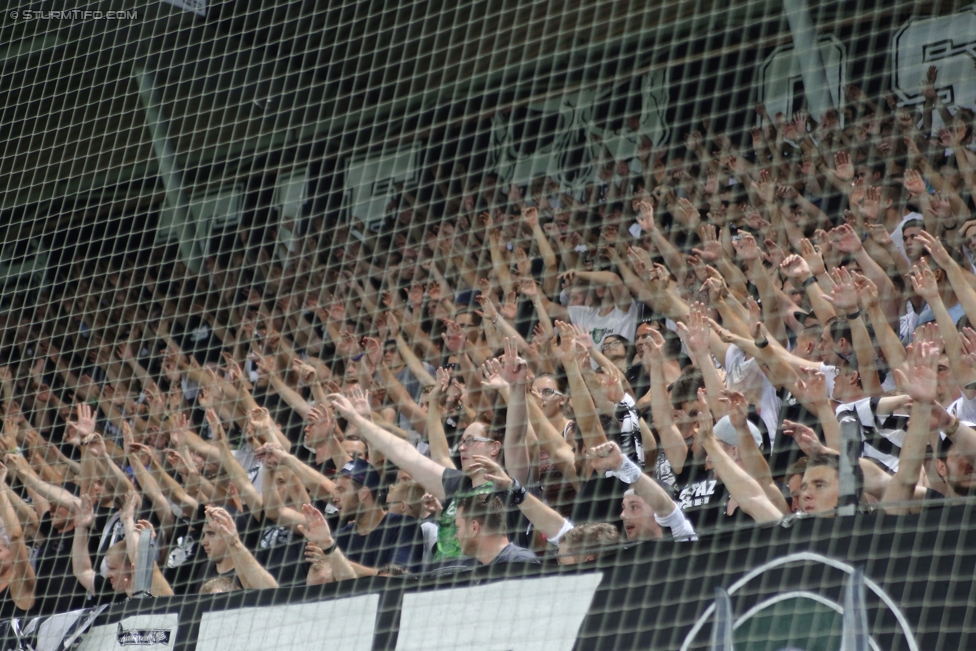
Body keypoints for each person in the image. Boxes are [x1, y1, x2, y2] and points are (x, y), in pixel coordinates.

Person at [331, 458, 424, 573]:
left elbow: (397, 578)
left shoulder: (403, 527)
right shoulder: (340, 537)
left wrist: (335, 560)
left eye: (341, 491)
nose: (334, 499)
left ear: (363, 493)